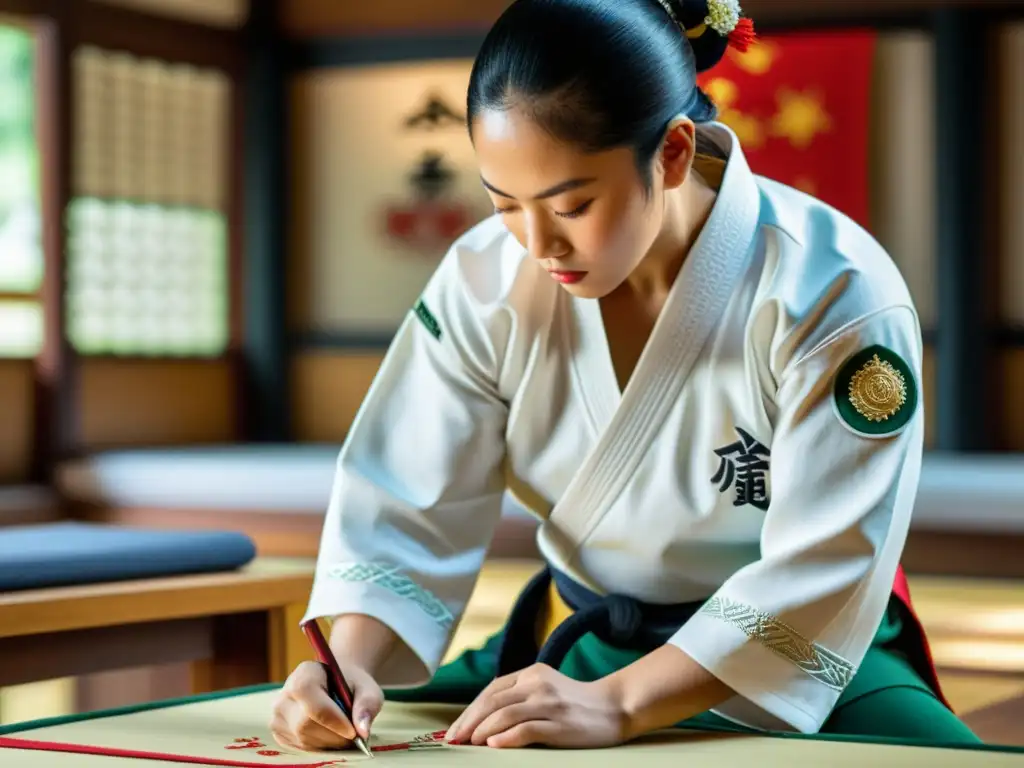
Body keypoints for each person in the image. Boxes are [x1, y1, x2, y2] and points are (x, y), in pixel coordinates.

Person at [270, 0, 981, 753]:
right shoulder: (484, 277)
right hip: (587, 646)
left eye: (572, 204)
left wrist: (619, 706)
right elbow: (408, 499)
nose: (538, 243)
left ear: (673, 152)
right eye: (504, 202)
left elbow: (828, 564)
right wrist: (345, 669)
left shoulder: (831, 288)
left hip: (790, 657)